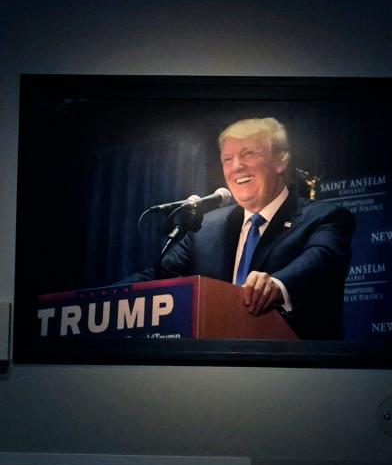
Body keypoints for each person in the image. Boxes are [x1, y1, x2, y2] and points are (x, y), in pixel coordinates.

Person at [124, 117, 355, 339]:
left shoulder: (325, 217)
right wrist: (100, 300)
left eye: (249, 154)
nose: (237, 167)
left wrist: (276, 283)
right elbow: (158, 276)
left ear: (281, 161)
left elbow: (321, 258)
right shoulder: (206, 227)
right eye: (227, 159)